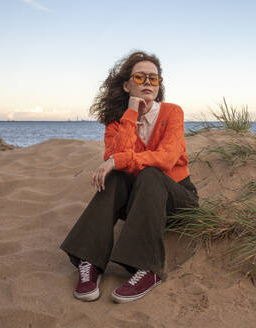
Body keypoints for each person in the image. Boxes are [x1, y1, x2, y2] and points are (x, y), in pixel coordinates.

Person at [60, 50, 199, 303]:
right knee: (117, 178)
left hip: (178, 201)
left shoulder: (172, 113)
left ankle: (147, 269)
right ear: (126, 85)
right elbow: (115, 155)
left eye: (154, 79)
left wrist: (120, 161)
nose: (148, 82)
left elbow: (166, 159)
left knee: (150, 174)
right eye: (140, 77)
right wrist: (131, 114)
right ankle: (90, 261)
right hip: (140, 204)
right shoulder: (117, 121)